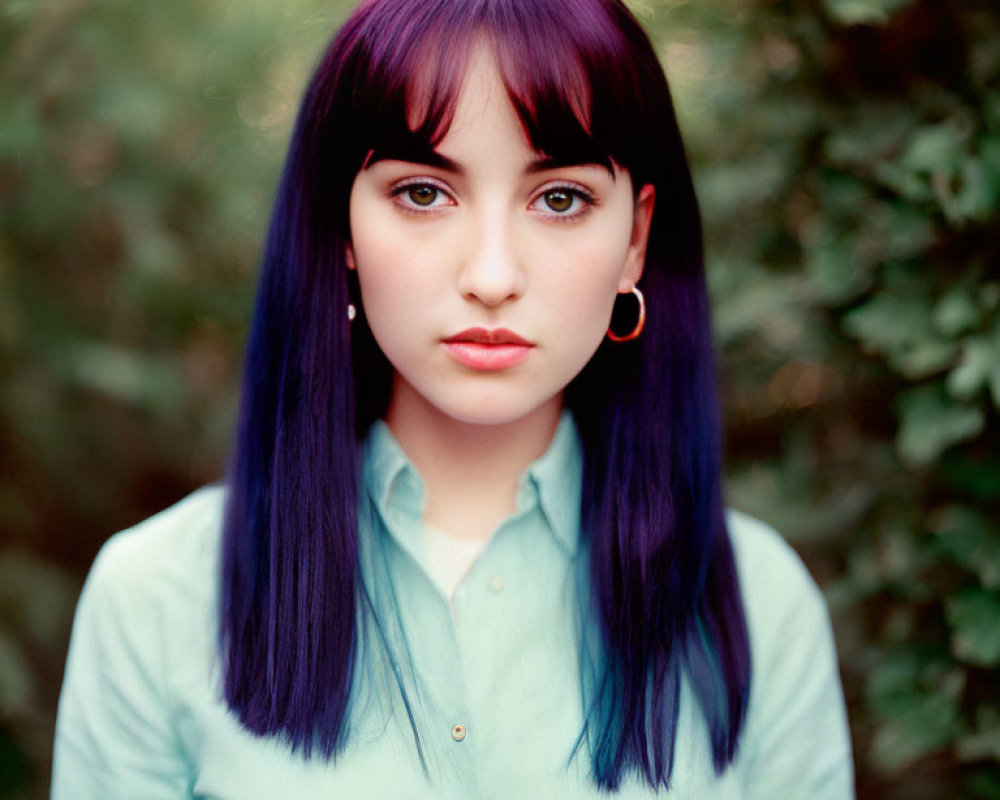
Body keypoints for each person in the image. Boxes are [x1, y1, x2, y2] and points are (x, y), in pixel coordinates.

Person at [51, 0, 854, 797]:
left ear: (635, 241)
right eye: (425, 193)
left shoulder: (755, 608)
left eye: (561, 198)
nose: (493, 277)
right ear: (341, 227)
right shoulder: (156, 602)